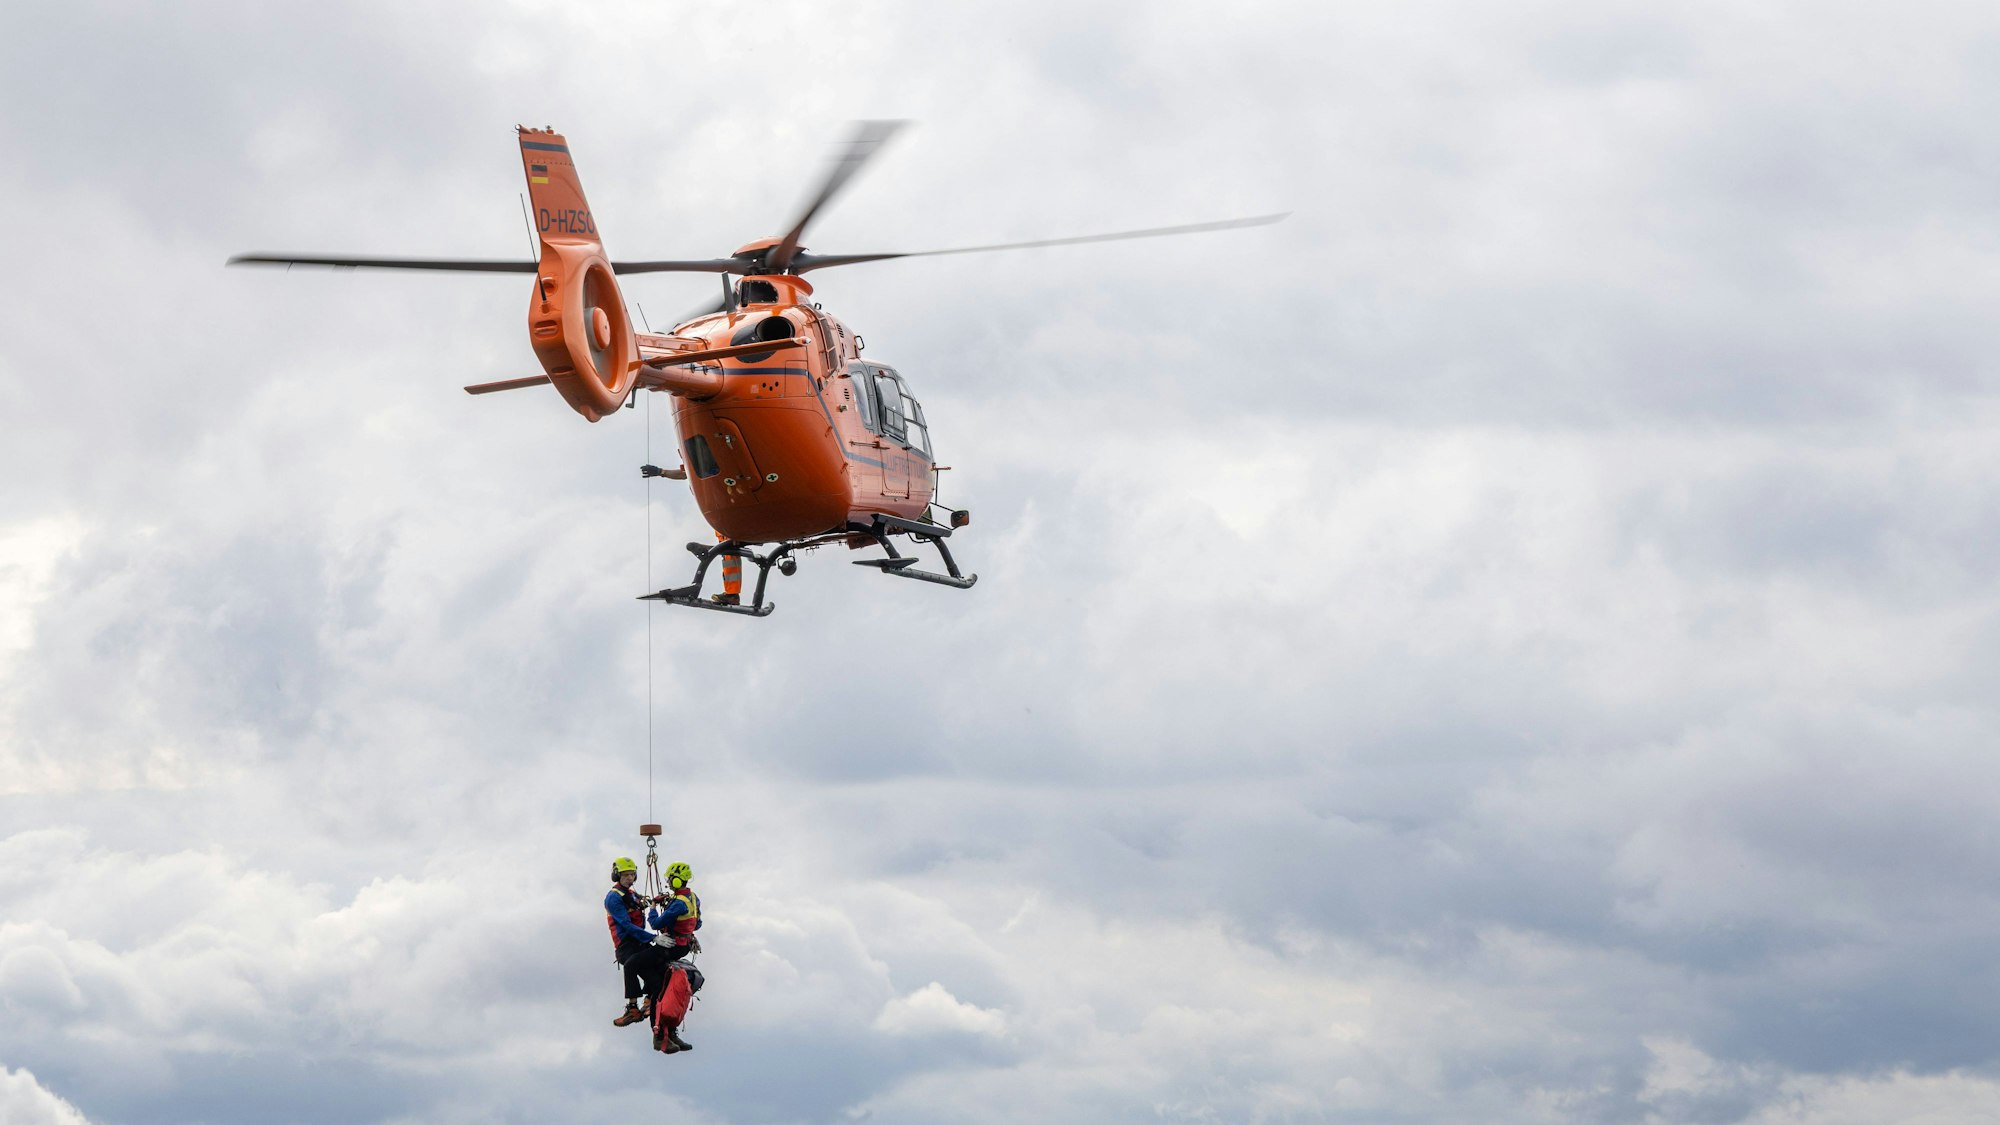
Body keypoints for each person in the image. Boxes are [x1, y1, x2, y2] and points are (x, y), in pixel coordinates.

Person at [604, 857, 678, 1027]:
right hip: (627, 946)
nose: (630, 878)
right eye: (626, 875)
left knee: (660, 975)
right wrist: (653, 937)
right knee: (637, 969)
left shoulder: (631, 894)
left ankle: (650, 1005)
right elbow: (626, 925)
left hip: (640, 943)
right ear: (617, 875)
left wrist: (656, 903)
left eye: (632, 874)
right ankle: (633, 1008)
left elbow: (640, 904)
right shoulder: (614, 898)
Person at [645, 861, 702, 1052]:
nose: (668, 883)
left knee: (657, 987)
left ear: (677, 880)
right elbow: (698, 924)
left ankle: (659, 1032)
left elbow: (655, 923)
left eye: (670, 879)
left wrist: (653, 908)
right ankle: (669, 1032)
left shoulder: (678, 903)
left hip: (671, 946)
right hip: (683, 946)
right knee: (667, 986)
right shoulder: (692, 898)